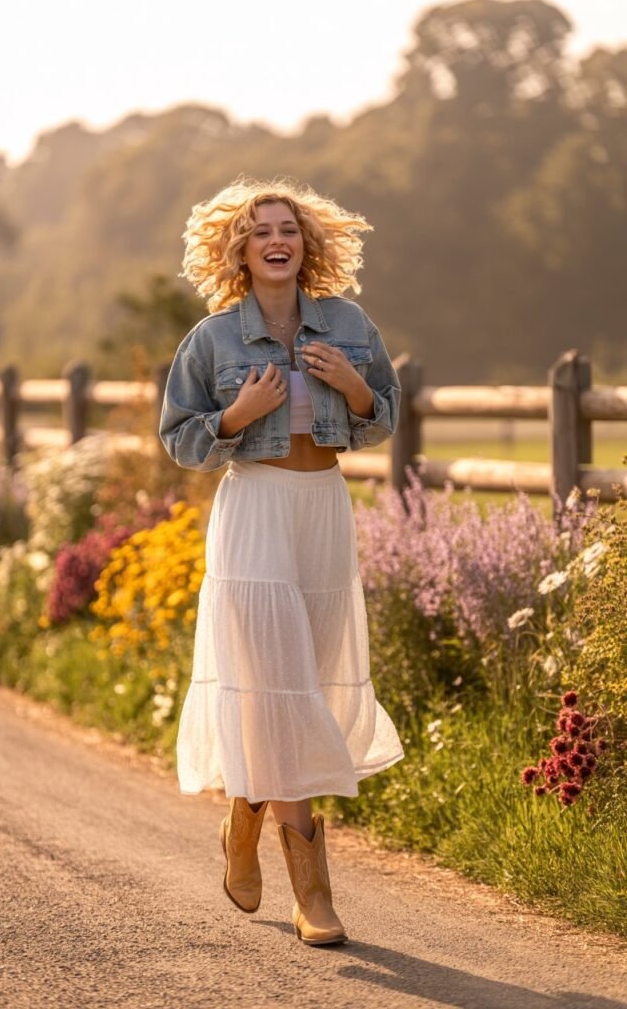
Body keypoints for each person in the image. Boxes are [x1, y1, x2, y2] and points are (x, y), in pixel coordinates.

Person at [159, 176, 405, 946]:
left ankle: (245, 815)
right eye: (261, 230)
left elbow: (384, 418)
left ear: (306, 245)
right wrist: (237, 415)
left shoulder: (350, 325)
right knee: (280, 689)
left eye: (288, 229)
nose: (277, 240)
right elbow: (180, 439)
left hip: (321, 509)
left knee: (308, 684)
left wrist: (355, 389)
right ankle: (314, 895)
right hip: (255, 513)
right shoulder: (212, 339)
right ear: (240, 249)